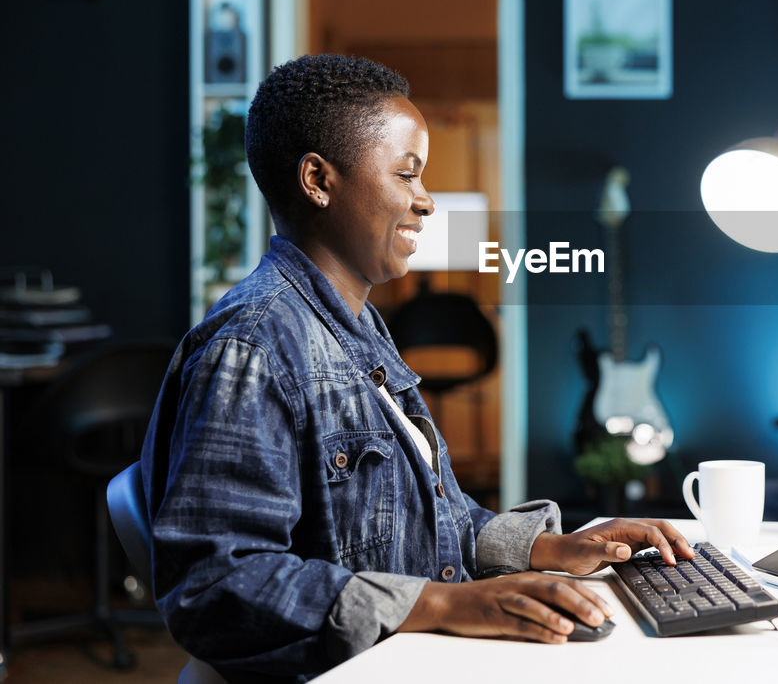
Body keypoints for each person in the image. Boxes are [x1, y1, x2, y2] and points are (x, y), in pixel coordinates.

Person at [141, 54, 695, 682]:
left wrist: (551, 549)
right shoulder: (253, 347)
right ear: (318, 179)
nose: (426, 201)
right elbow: (215, 585)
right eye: (407, 175)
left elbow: (430, 520)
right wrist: (443, 602)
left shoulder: (360, 328)